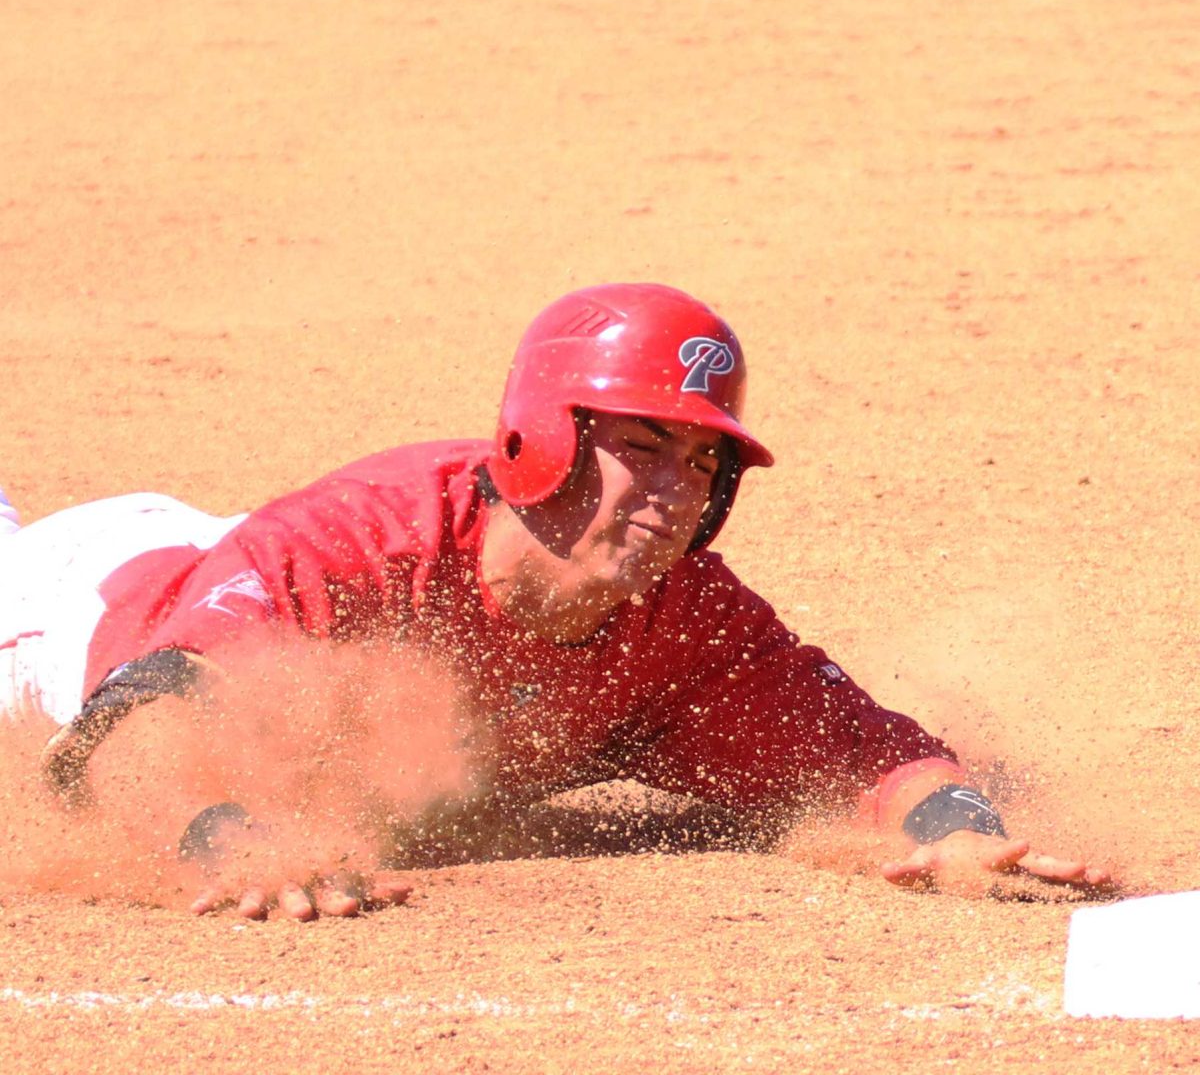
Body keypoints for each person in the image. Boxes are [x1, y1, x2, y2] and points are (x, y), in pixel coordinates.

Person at [1, 283, 1112, 919]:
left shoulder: (691, 623)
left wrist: (963, 833)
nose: (674, 494)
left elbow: (878, 757)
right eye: (640, 447)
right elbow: (133, 721)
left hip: (214, 555)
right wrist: (223, 838)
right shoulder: (358, 544)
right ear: (541, 441)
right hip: (79, 599)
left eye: (702, 463)